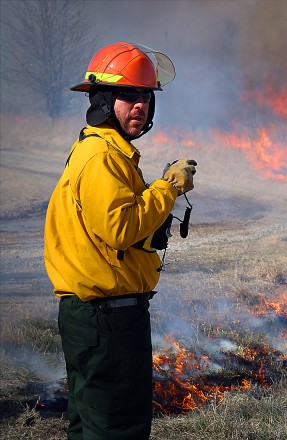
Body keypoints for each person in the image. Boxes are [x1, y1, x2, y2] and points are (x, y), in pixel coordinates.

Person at [44, 42, 197, 439]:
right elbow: (121, 229)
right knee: (117, 429)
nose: (139, 106)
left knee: (93, 426)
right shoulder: (101, 158)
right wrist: (168, 188)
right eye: (128, 96)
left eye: (145, 97)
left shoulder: (103, 151)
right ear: (103, 99)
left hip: (98, 317)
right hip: (107, 319)